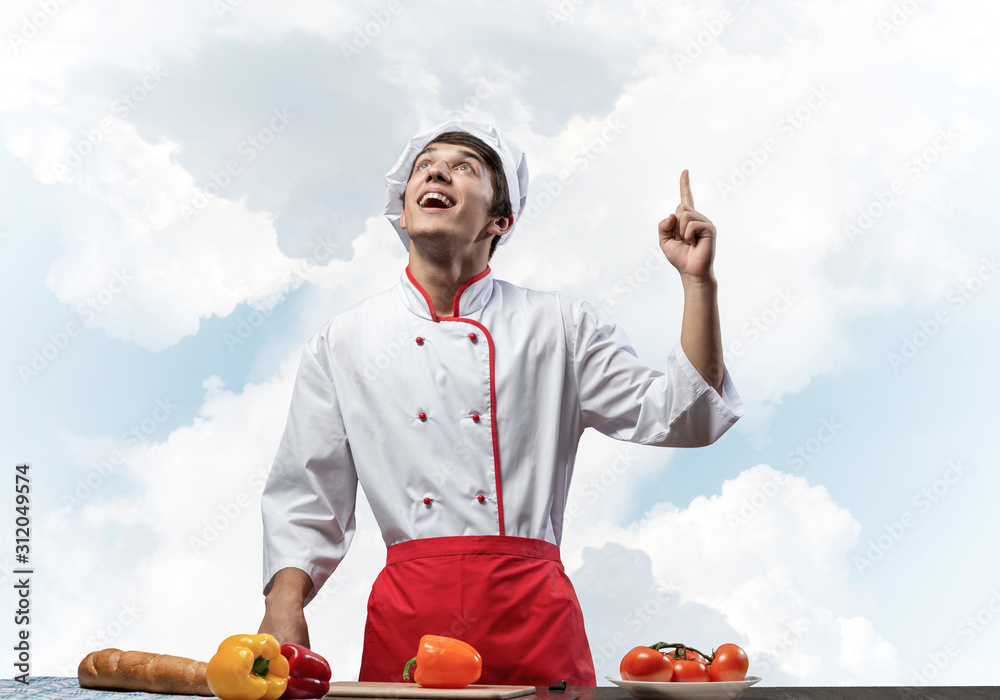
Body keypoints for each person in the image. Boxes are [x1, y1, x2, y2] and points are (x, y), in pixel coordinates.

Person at [258, 120, 743, 685]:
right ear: (404, 206)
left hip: (532, 614)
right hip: (409, 620)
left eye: (464, 166)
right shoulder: (345, 340)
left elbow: (689, 416)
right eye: (425, 164)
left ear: (499, 221)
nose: (436, 169)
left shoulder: (561, 325)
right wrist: (283, 608)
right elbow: (307, 493)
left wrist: (698, 285)